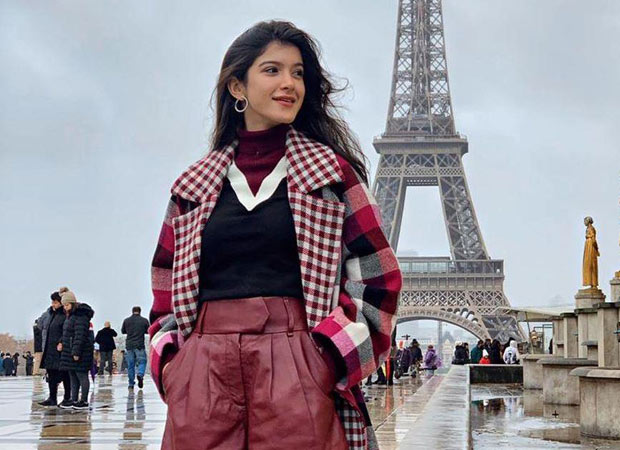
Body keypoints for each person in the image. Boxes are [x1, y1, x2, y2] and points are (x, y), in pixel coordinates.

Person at [147, 20, 402, 450]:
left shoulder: (333, 176)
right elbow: (164, 288)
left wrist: (325, 359)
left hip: (299, 366)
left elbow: (378, 279)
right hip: (201, 374)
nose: (289, 83)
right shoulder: (191, 187)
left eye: (298, 73)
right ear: (237, 87)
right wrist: (173, 366)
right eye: (272, 70)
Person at [58, 287, 95, 410]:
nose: (65, 307)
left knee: (82, 375)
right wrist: (62, 342)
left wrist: (76, 351)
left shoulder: (80, 316)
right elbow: (67, 333)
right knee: (73, 375)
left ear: (72, 304)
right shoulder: (71, 316)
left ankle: (83, 400)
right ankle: (74, 399)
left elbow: (80, 335)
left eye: (67, 305)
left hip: (80, 351)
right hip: (69, 350)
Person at [38, 290, 72, 407]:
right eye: (52, 302)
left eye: (55, 302)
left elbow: (67, 330)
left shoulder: (65, 315)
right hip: (50, 349)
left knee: (64, 375)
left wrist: (62, 341)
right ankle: (52, 397)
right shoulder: (52, 314)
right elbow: (41, 325)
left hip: (60, 350)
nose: (53, 304)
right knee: (51, 375)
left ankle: (67, 397)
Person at [121, 306, 150, 389]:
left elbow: (123, 331)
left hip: (129, 345)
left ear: (132, 311)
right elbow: (148, 331)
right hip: (139, 345)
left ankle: (131, 384)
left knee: (130, 365)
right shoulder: (144, 320)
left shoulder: (126, 320)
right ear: (140, 311)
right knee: (142, 361)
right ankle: (140, 374)